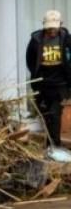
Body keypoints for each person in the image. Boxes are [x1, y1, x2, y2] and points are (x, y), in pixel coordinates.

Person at [26, 9, 71, 157]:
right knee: (46, 115)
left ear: (60, 25)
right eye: (49, 27)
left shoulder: (66, 39)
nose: (52, 30)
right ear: (44, 26)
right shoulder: (36, 41)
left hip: (60, 84)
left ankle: (55, 146)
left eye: (55, 27)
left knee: (55, 113)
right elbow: (30, 60)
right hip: (42, 84)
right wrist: (36, 76)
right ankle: (50, 146)